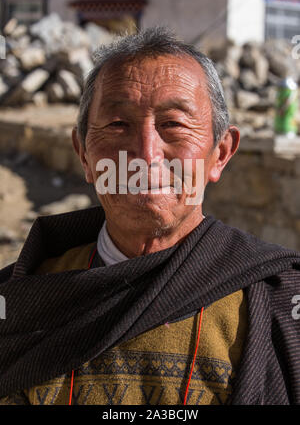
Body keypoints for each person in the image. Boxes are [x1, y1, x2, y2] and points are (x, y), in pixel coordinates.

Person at [0, 27, 300, 406]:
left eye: (172, 124)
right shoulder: (23, 299)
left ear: (220, 154)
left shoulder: (277, 301)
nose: (145, 153)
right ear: (83, 154)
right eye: (117, 125)